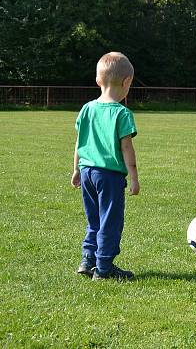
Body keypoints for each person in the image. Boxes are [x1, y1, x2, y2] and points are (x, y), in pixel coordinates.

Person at [72, 52, 140, 281]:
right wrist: (134, 177)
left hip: (87, 171)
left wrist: (76, 170)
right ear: (127, 82)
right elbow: (127, 148)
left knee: (94, 220)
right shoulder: (122, 113)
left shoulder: (87, 109)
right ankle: (103, 268)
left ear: (98, 81)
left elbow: (79, 142)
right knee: (110, 221)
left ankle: (87, 260)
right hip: (109, 175)